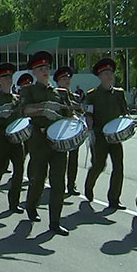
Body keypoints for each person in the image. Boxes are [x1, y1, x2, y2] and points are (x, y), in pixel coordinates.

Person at [20, 51, 73, 235]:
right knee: (38, 179)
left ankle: (55, 222)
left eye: (46, 68)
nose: (44, 71)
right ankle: (31, 205)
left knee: (59, 182)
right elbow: (25, 109)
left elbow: (69, 114)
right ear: (34, 72)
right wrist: (43, 109)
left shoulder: (60, 93)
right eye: (40, 68)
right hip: (39, 140)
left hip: (58, 142)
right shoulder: (28, 90)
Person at [83, 58, 128, 210]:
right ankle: (89, 185)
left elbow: (124, 113)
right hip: (100, 136)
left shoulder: (119, 94)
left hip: (115, 137)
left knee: (119, 167)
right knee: (99, 165)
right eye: (106, 73)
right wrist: (89, 129)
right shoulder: (93, 94)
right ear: (100, 76)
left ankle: (114, 198)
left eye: (111, 73)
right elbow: (89, 114)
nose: (109, 76)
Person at [0, 64, 25, 213]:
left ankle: (14, 202)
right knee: (0, 167)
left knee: (19, 170)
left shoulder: (17, 99)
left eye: (10, 77)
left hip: (17, 139)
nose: (8, 79)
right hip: (1, 138)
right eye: (5, 77)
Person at [54, 66, 82, 196]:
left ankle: (72, 184)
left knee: (73, 159)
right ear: (58, 81)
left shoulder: (75, 97)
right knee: (60, 160)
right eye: (63, 78)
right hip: (60, 132)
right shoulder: (55, 96)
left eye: (68, 78)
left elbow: (81, 111)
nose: (67, 80)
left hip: (73, 131)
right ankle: (58, 183)